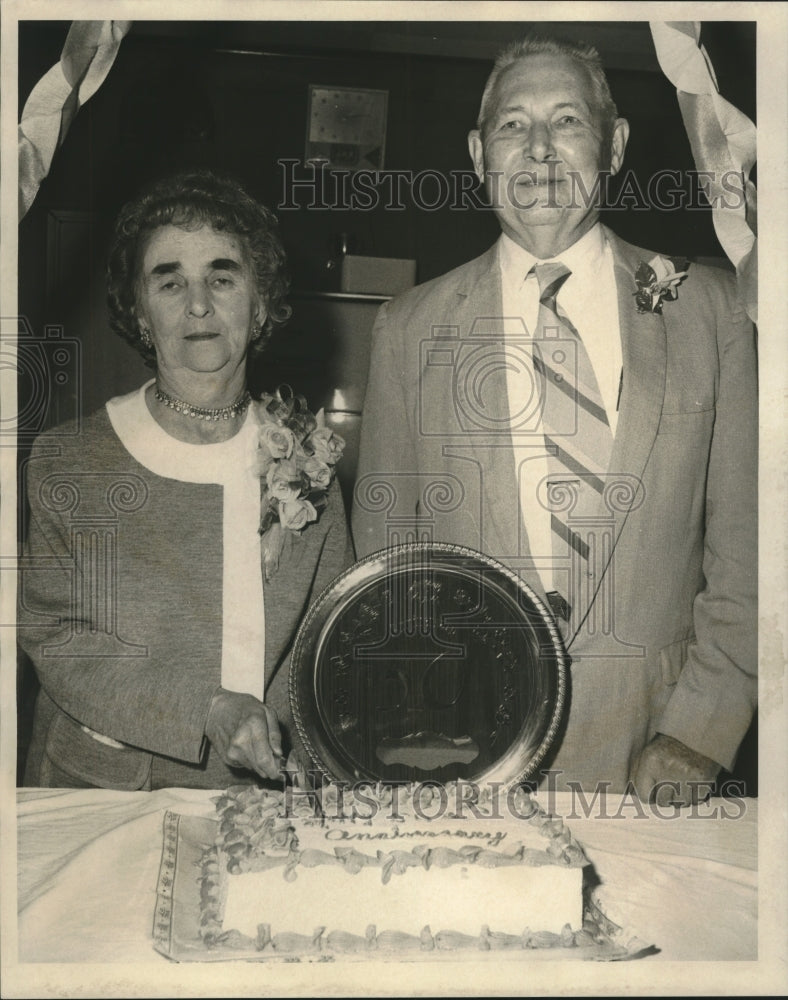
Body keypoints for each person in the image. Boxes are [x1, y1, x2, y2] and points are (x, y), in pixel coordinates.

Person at [351, 36, 757, 804]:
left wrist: (700, 732)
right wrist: (420, 730)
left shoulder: (712, 314)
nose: (538, 150)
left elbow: (753, 551)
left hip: (656, 761)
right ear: (478, 153)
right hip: (465, 762)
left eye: (567, 120)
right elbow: (387, 563)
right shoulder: (407, 329)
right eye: (512, 126)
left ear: (614, 145)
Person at [18, 170, 353, 789]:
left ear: (260, 304)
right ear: (140, 312)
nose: (198, 303)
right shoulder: (69, 461)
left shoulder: (314, 468)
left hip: (263, 799)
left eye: (222, 277)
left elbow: (335, 645)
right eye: (169, 281)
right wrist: (206, 710)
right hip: (102, 791)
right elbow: (55, 638)